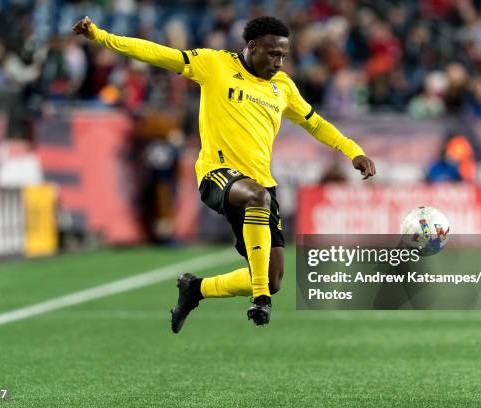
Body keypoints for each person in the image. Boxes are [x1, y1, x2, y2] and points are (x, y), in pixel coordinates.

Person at [73, 15, 376, 332]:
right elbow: (156, 53)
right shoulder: (214, 64)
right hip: (217, 173)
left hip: (261, 183)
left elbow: (315, 123)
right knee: (259, 227)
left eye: (284, 55)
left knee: (272, 279)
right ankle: (260, 300)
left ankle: (196, 289)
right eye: (273, 54)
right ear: (252, 46)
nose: (279, 61)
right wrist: (101, 36)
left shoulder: (282, 87)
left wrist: (353, 150)